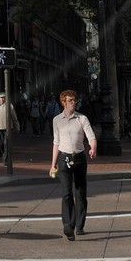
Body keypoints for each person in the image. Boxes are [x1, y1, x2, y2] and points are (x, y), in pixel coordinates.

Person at [48, 89, 96, 240]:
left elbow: (91, 136)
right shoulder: (56, 120)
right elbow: (56, 142)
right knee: (67, 193)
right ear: (63, 103)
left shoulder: (82, 118)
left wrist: (93, 147)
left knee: (80, 193)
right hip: (64, 158)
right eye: (70, 101)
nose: (73, 103)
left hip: (80, 158)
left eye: (74, 100)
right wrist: (53, 163)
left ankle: (79, 225)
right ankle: (68, 225)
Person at [0, 92, 18, 158]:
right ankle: (4, 154)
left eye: (4, 98)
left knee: (6, 143)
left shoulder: (10, 106)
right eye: (1, 98)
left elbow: (14, 117)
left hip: (8, 128)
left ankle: (6, 158)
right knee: (1, 144)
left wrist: (17, 126)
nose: (2, 99)